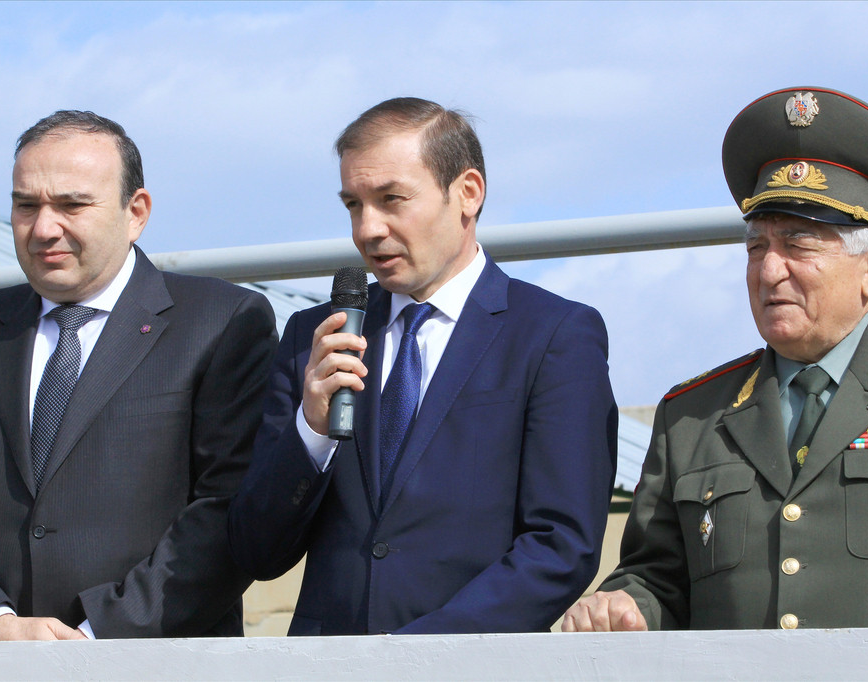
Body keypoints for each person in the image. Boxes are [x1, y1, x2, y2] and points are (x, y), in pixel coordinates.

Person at [228, 97, 618, 635]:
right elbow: (255, 551)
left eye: (392, 199)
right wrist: (311, 434)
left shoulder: (554, 335)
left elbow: (561, 546)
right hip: (327, 666)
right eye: (353, 205)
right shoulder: (314, 339)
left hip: (471, 666)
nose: (368, 229)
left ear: (468, 193)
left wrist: (419, 655)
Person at [563, 87, 868, 633]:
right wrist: (625, 606)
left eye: (799, 245)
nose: (768, 272)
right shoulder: (692, 415)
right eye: (756, 247)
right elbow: (656, 579)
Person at [0, 111, 278, 641]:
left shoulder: (223, 322)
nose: (44, 228)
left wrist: (97, 638)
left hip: (155, 662)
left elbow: (226, 508)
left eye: (72, 205)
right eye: (26, 205)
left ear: (136, 212)